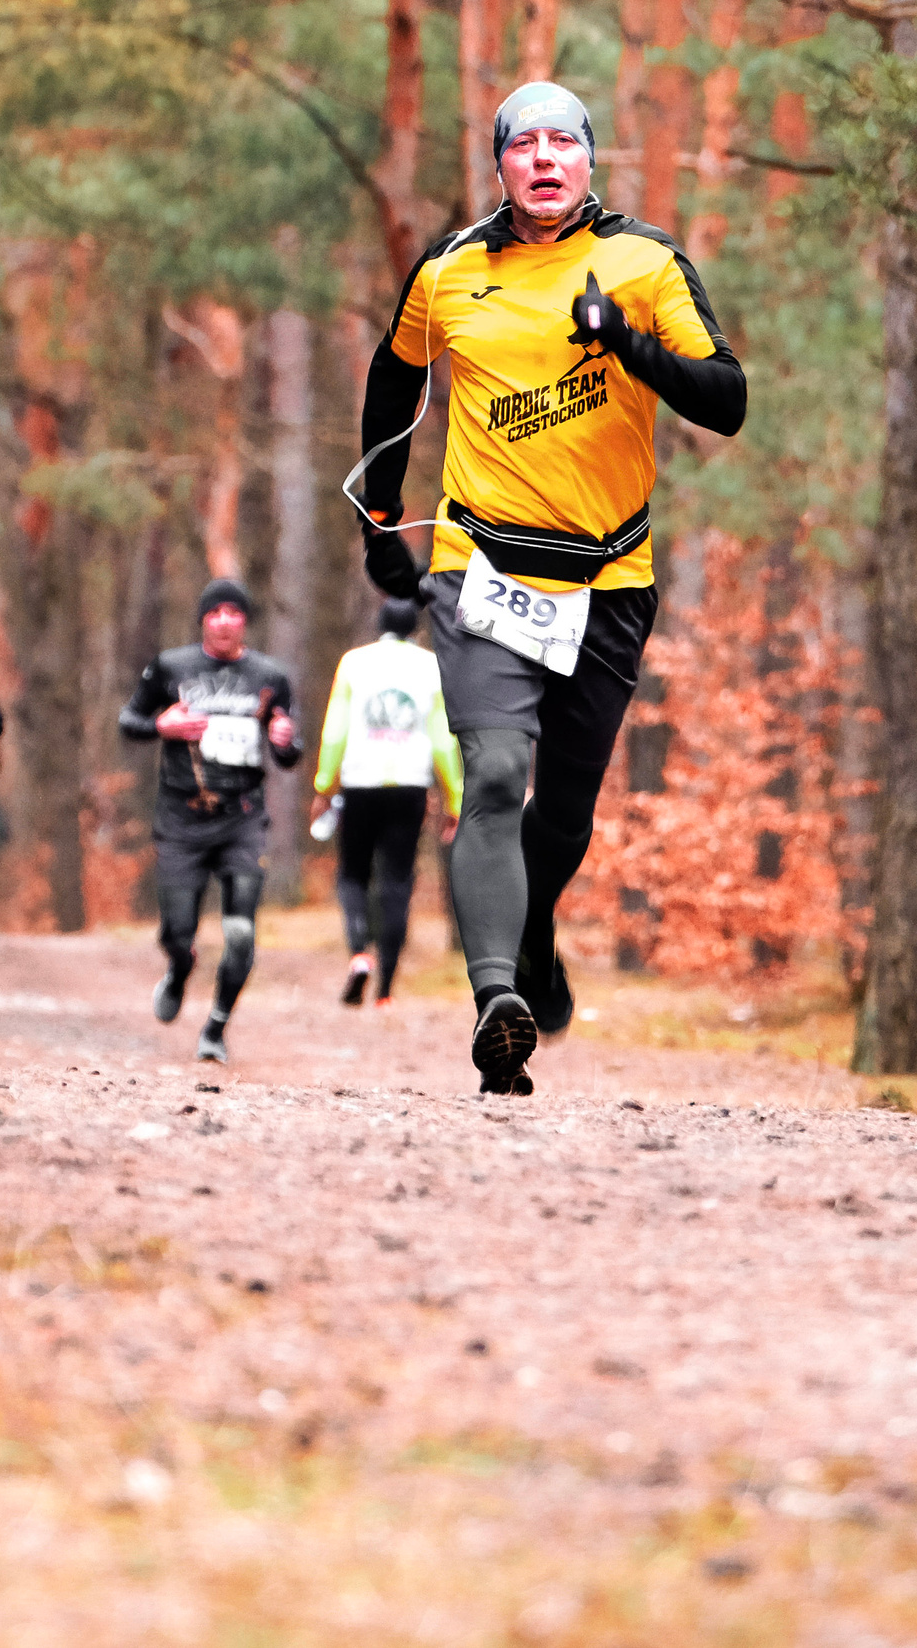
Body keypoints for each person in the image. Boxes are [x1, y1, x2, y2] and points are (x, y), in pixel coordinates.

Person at [354, 80, 745, 1094]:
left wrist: (627, 339)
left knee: (563, 812)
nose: (542, 159)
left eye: (561, 142)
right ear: (498, 167)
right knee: (490, 774)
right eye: (521, 144)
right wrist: (378, 518)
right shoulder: (447, 271)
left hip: (609, 574)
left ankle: (529, 935)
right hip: (479, 566)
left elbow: (729, 400)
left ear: (588, 160)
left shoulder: (644, 263)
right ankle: (497, 999)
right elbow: (393, 377)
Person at [117, 578, 300, 1063]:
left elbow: (289, 754)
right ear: (203, 619)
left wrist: (284, 739)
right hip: (181, 816)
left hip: (242, 817)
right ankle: (179, 969)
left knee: (240, 930)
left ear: (245, 621)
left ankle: (216, 1026)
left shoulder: (270, 676)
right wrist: (162, 725)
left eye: (233, 612)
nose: (224, 620)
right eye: (214, 611)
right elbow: (129, 722)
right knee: (178, 930)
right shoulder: (171, 667)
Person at [310, 596, 462, 1008]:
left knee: (353, 875)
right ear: (416, 627)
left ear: (379, 624)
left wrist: (325, 785)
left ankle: (359, 952)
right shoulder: (431, 666)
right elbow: (443, 736)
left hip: (360, 781)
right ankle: (387, 988)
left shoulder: (354, 663)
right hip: (410, 786)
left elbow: (335, 730)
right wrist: (455, 796)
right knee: (397, 881)